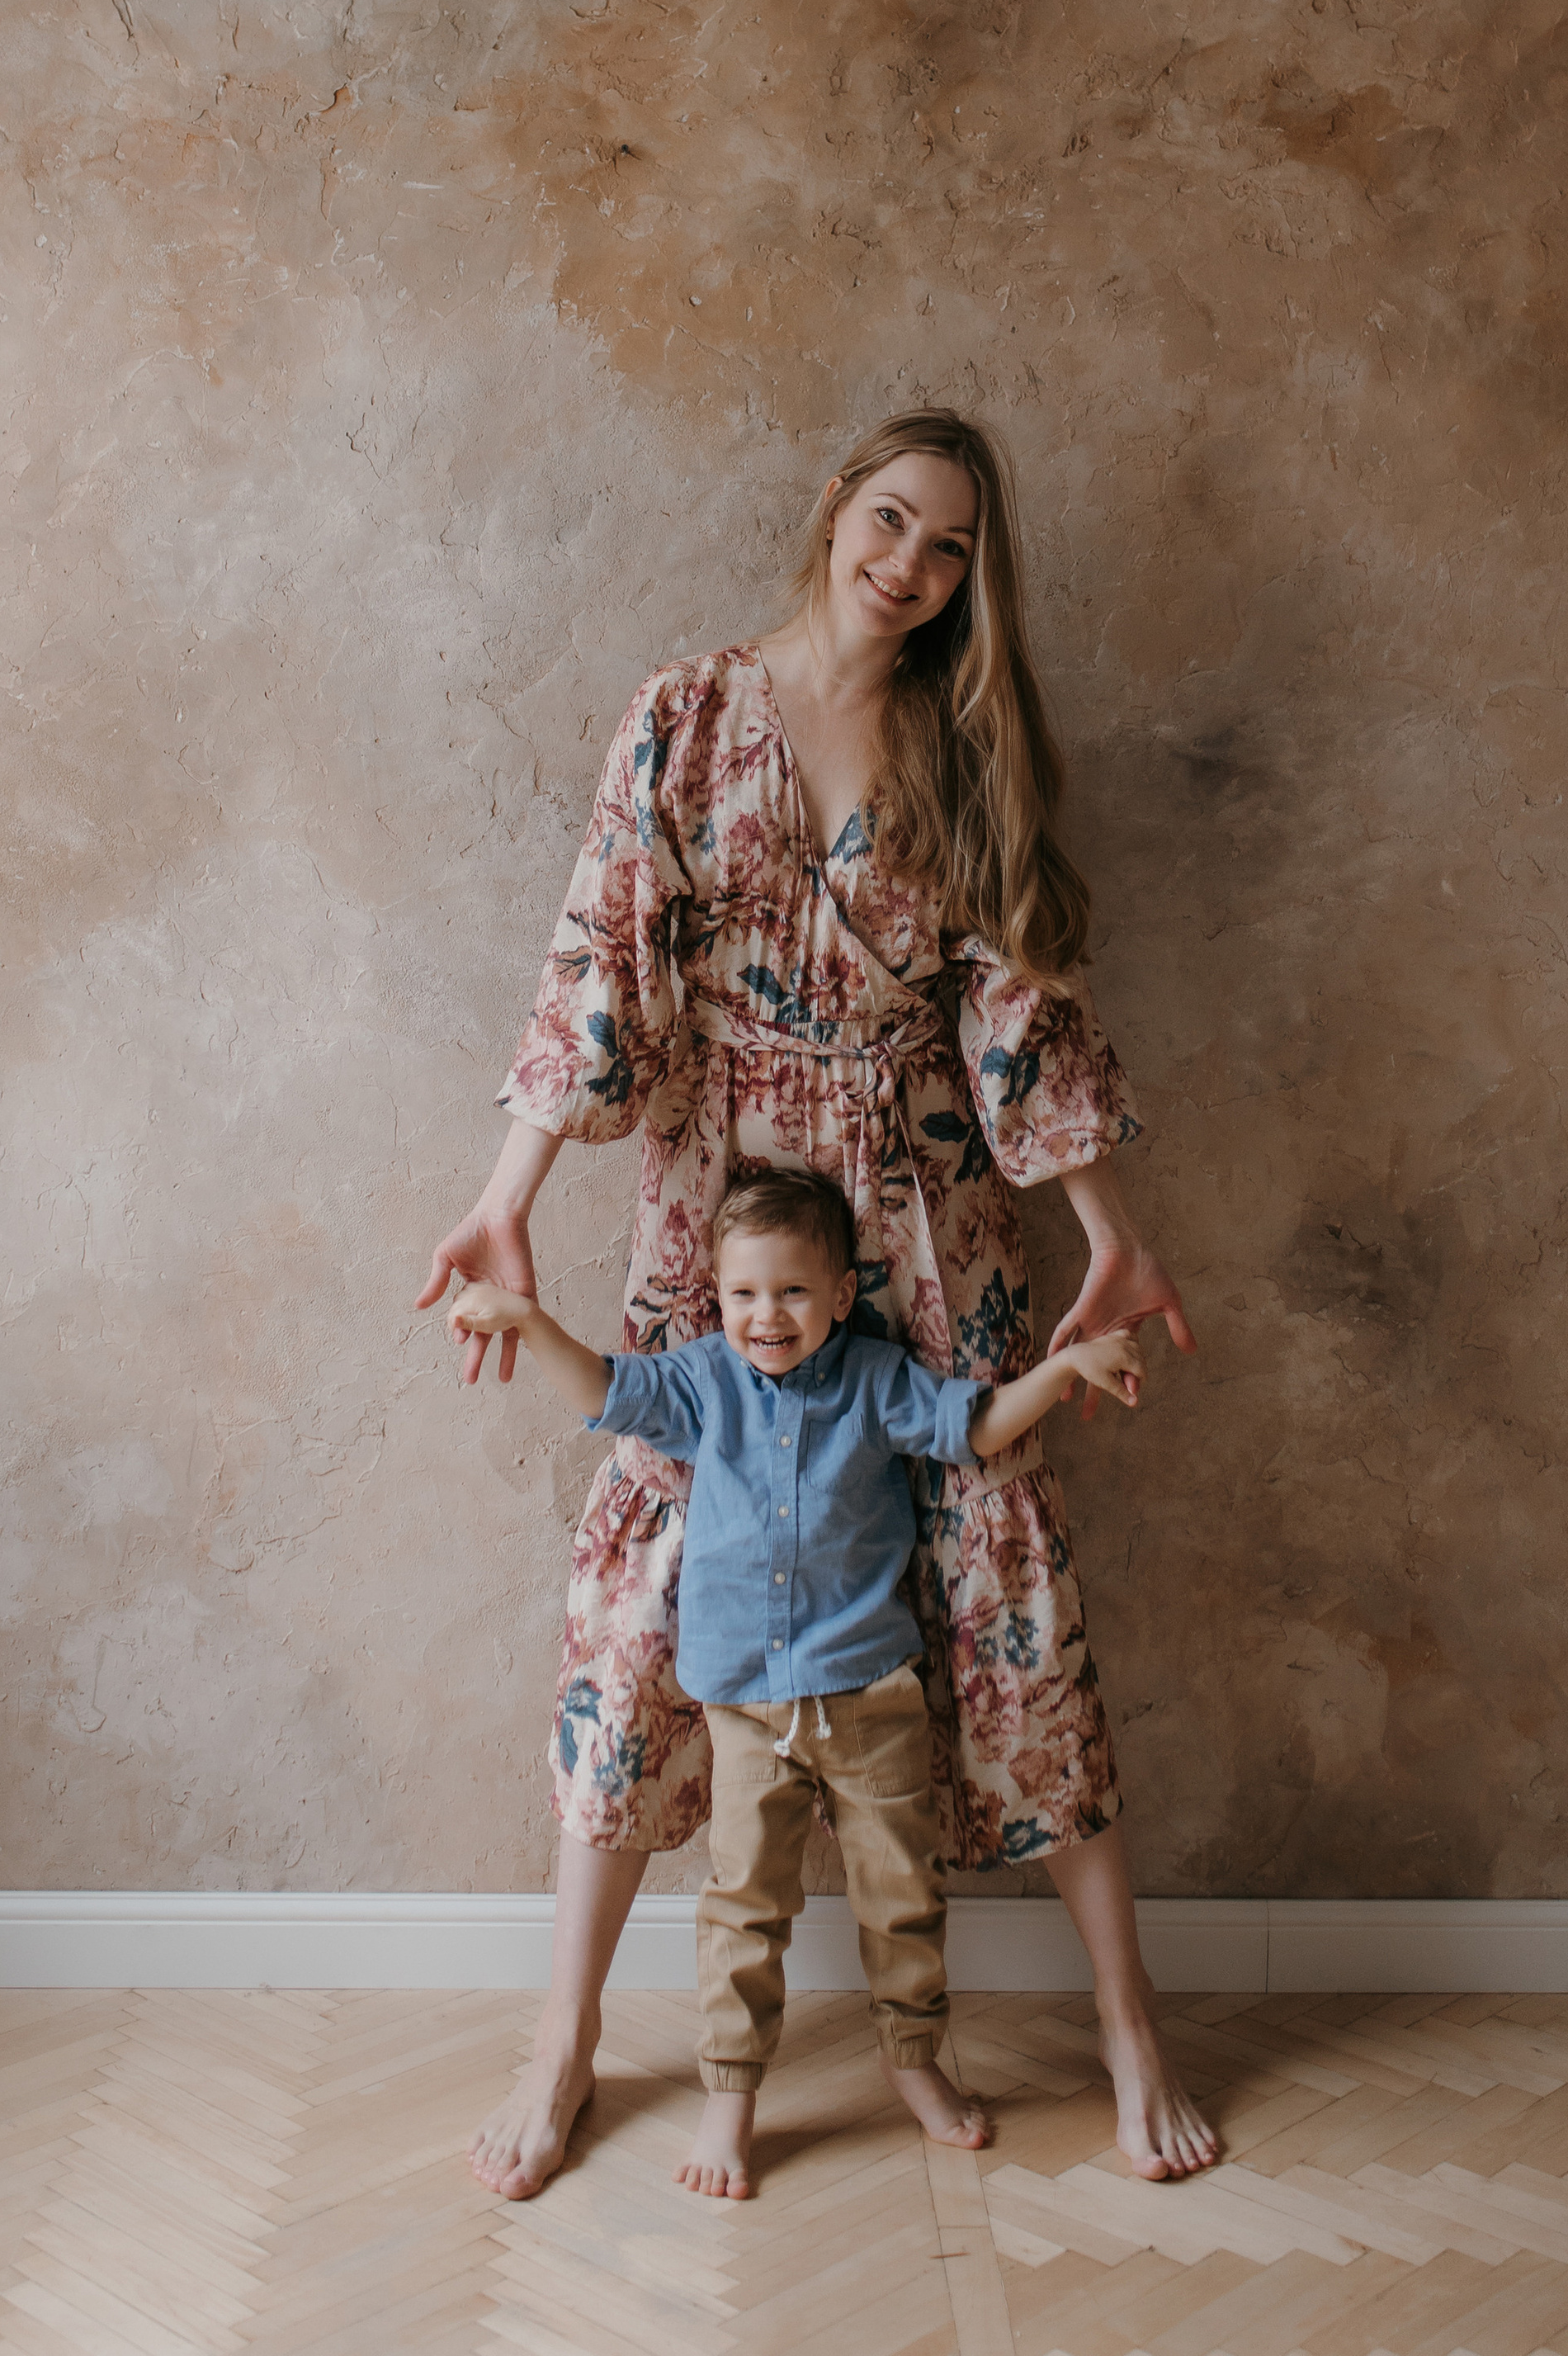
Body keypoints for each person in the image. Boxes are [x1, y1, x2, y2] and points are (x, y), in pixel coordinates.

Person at [416, 405, 1217, 2196]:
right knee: (650, 1586)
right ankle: (561, 2038)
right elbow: (597, 958)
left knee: (1001, 1568)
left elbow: (1017, 1002)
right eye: (887, 521)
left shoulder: (967, 744)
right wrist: (505, 1201)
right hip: (726, 1207)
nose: (907, 566)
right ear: (832, 512)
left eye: (946, 550)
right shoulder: (686, 713)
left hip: (927, 1209)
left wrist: (1111, 1223)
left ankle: (1125, 2023)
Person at [448, 1162, 1148, 2198]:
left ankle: (914, 2063)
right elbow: (605, 1389)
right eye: (741, 1293)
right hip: (745, 1709)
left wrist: (1060, 1373)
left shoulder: (877, 1378)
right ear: (716, 1296)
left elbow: (975, 1428)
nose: (764, 1316)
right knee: (744, 1908)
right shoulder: (699, 1382)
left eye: (789, 1292)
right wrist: (524, 1316)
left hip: (872, 1697)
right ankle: (730, 2096)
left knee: (902, 1898)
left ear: (837, 1292)